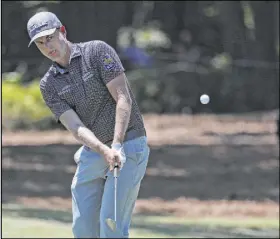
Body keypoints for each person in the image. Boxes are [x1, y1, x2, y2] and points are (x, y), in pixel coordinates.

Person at [27, 11, 150, 238]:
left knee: (110, 225)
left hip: (129, 142)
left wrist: (116, 144)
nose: (48, 46)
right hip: (94, 150)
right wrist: (102, 150)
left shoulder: (96, 52)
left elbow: (123, 97)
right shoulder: (49, 85)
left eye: (50, 38)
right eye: (40, 43)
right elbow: (75, 126)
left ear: (62, 31)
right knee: (83, 228)